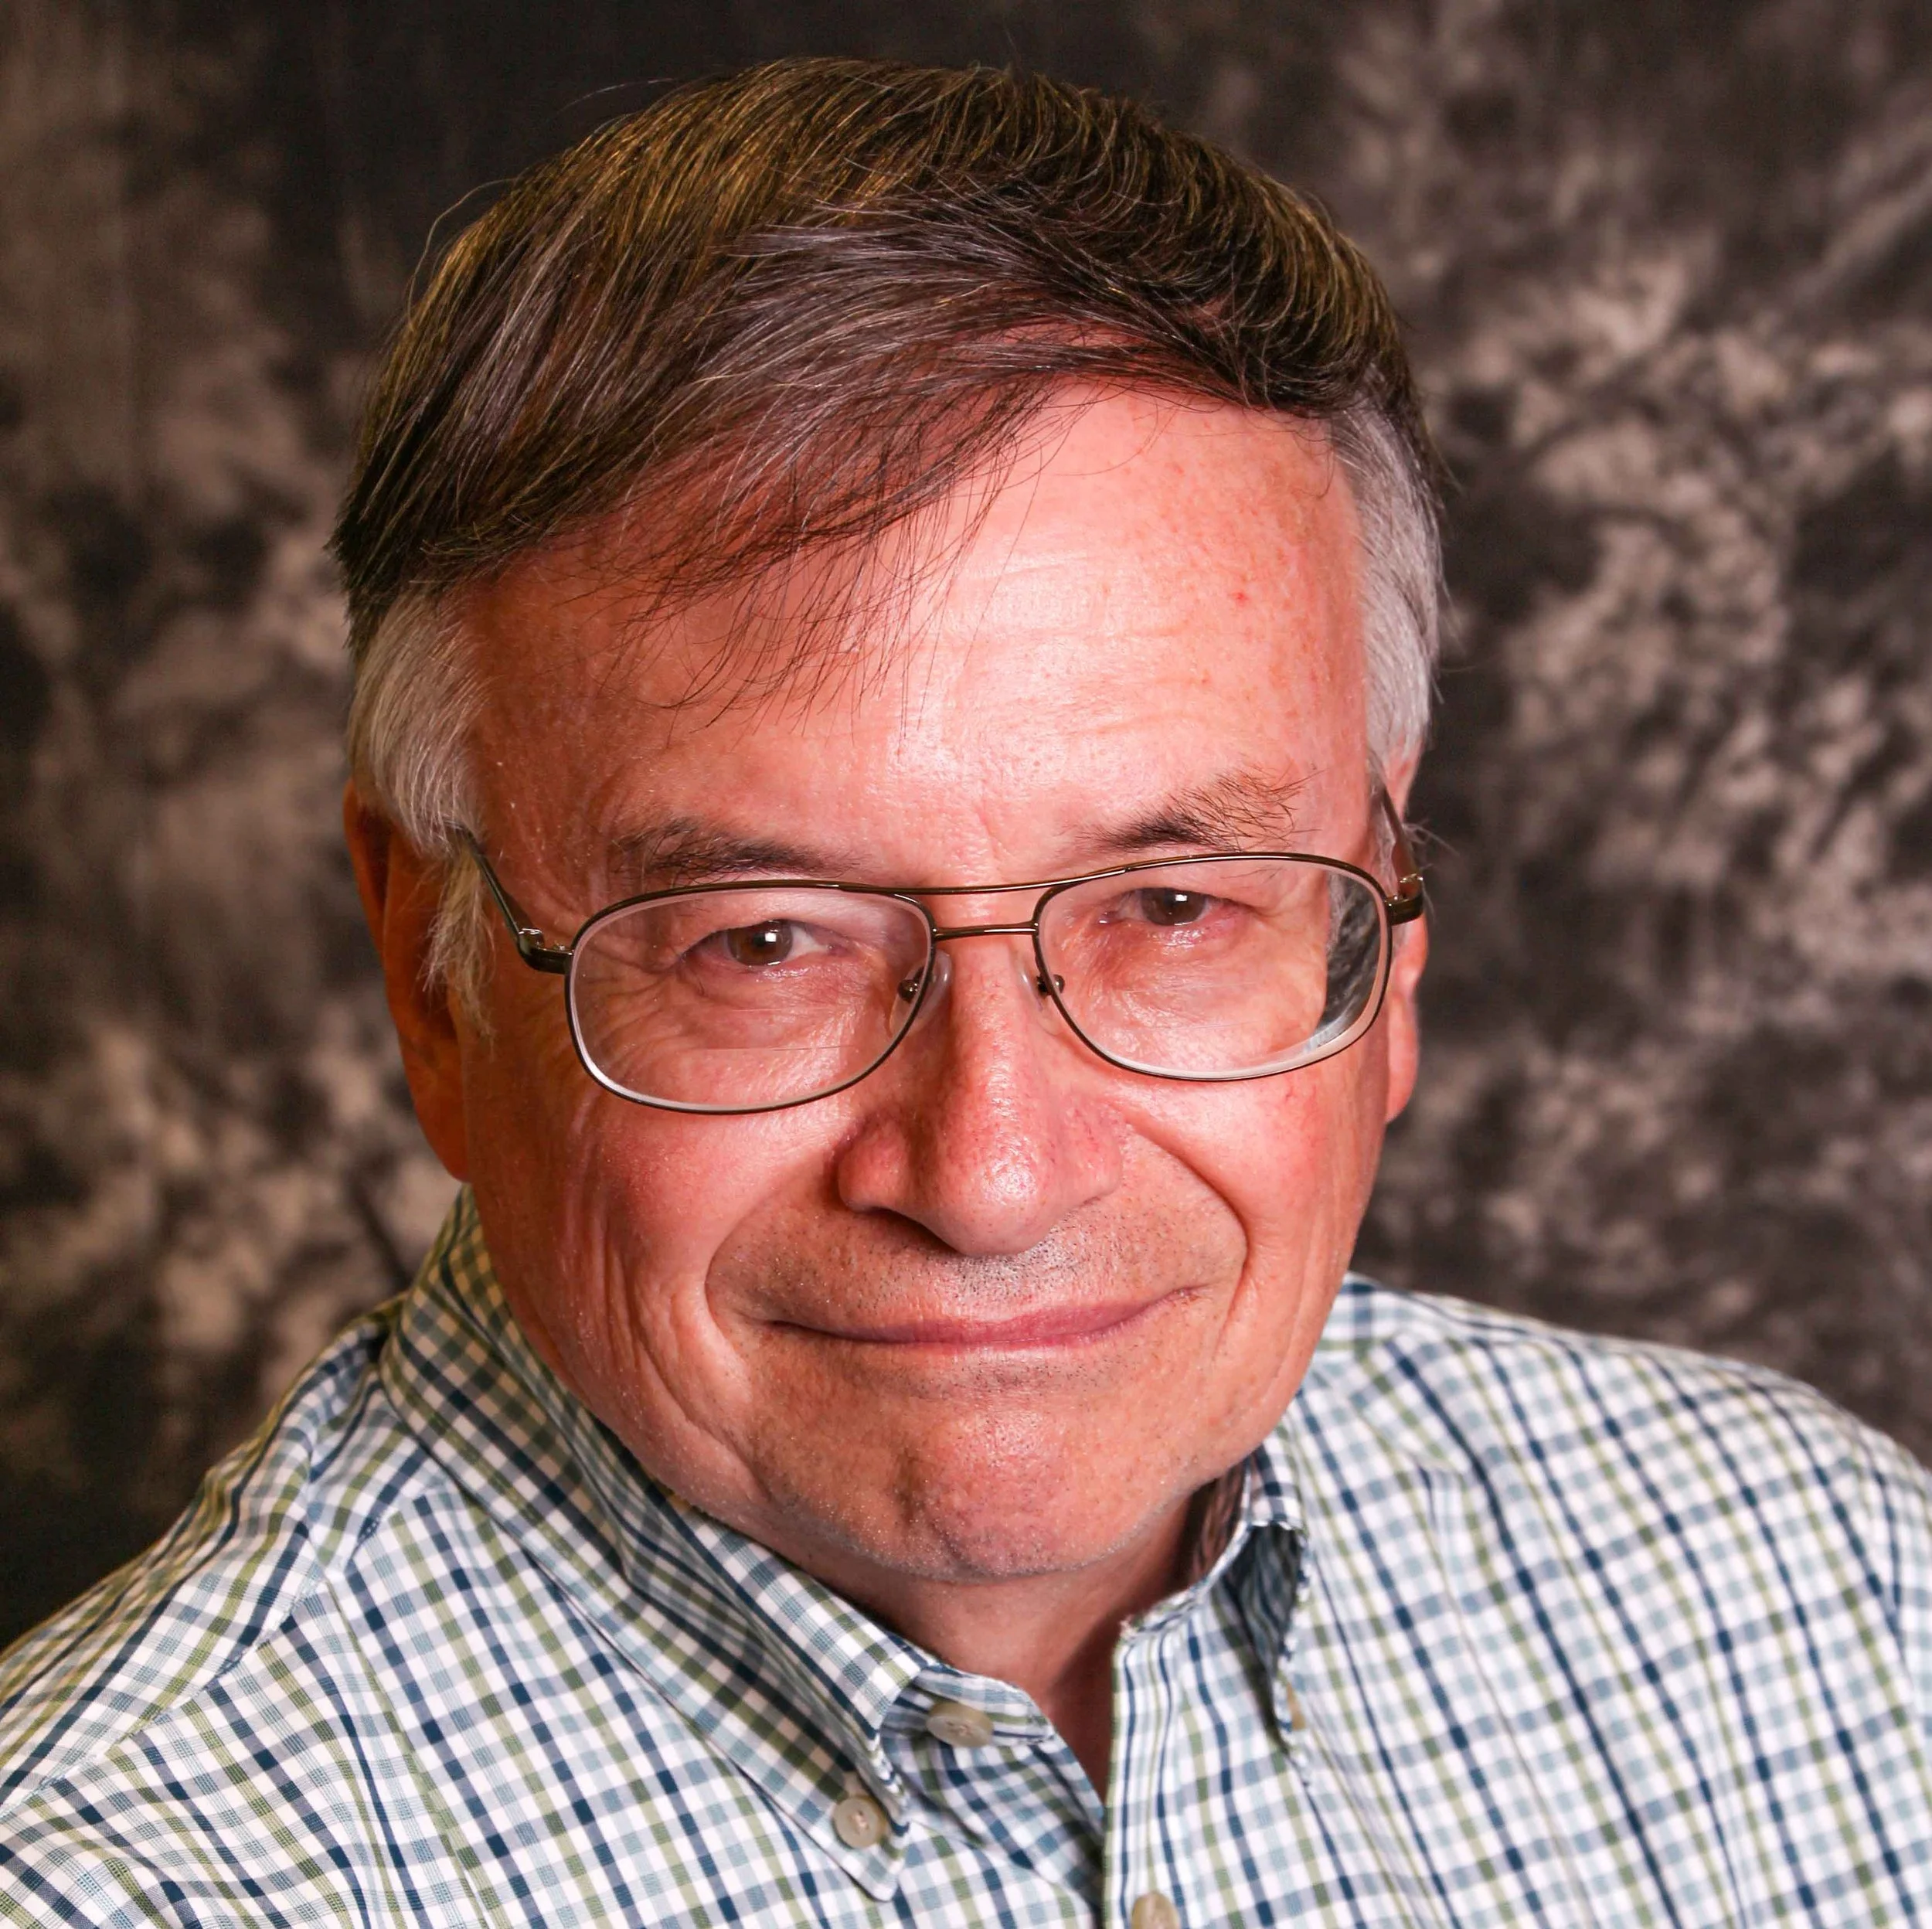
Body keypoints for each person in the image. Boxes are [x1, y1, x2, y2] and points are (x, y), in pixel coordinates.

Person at [2, 57, 1929, 1928]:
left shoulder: (1828, 1607)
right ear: (433, 973)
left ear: (1389, 932)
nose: (992, 1171)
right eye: (765, 939)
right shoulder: (119, 1879)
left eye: (1170, 904)